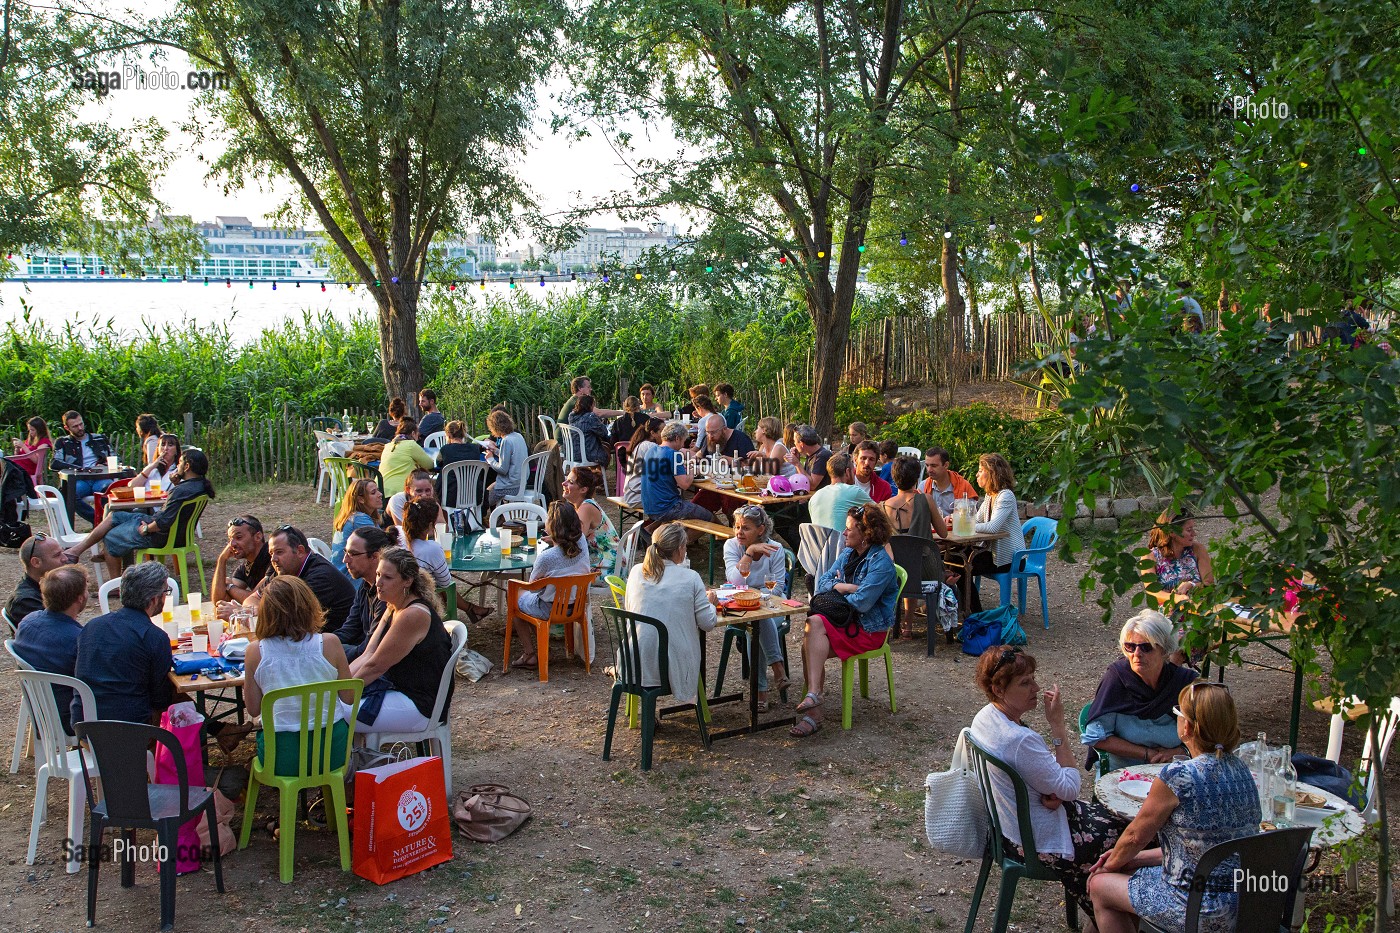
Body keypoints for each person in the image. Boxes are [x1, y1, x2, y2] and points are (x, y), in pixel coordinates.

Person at [970, 645, 1127, 925]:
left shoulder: (985, 717)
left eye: (1033, 678)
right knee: (1129, 840)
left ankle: (1101, 909)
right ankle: (1115, 914)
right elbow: (1070, 788)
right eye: (1025, 682)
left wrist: (1045, 792)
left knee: (1118, 829)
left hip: (1008, 828)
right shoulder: (1019, 740)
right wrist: (1058, 728)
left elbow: (1032, 779)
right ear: (998, 688)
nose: (1036, 688)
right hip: (1036, 839)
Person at [1088, 682, 1260, 933]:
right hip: (1241, 902)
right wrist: (1129, 860)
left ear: (1187, 727)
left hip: (1197, 906)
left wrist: (1109, 866)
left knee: (1100, 886)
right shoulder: (1241, 770)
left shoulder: (1179, 776)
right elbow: (1201, 847)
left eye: (1178, 714)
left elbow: (1135, 835)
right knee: (1128, 869)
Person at [791, 505, 901, 736]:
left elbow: (862, 603)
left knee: (812, 635)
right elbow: (822, 583)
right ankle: (814, 699)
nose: (843, 533)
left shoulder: (880, 563)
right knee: (813, 625)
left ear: (866, 534)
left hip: (868, 629)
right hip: (845, 621)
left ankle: (814, 709)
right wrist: (846, 586)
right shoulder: (848, 553)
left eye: (849, 529)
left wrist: (838, 589)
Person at [243, 576, 356, 774]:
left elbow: (253, 709)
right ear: (309, 606)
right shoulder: (330, 643)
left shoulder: (256, 651)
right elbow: (349, 696)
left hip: (282, 755)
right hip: (332, 751)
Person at [63, 448, 216, 581]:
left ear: (187, 466)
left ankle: (117, 584)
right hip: (177, 534)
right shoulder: (200, 486)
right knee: (114, 516)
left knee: (110, 537)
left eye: (180, 462)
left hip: (160, 535)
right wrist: (177, 483)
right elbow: (175, 512)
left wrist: (146, 529)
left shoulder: (180, 491)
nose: (177, 466)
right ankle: (75, 551)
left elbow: (163, 522)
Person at [350, 547, 455, 734]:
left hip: (419, 704)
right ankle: (358, 760)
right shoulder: (392, 606)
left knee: (334, 714)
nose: (378, 583)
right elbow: (369, 653)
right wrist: (338, 683)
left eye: (387, 578)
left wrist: (343, 692)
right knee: (331, 707)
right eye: (378, 574)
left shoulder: (413, 615)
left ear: (407, 581)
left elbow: (376, 666)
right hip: (398, 690)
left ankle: (350, 762)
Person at [1082, 610, 1197, 771]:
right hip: (1123, 771)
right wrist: (1146, 753)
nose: (1137, 654)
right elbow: (1096, 737)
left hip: (1175, 768)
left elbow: (1206, 735)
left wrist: (1180, 751)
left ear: (1164, 650)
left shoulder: (1184, 683)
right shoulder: (1117, 678)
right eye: (1130, 646)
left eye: (1146, 647)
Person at [623, 522, 718, 705]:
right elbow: (707, 623)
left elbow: (631, 608)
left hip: (634, 660)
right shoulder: (690, 577)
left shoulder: (636, 572)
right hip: (673, 665)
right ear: (681, 549)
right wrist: (710, 602)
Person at [71, 561, 175, 724]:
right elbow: (161, 699)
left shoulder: (92, 626)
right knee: (179, 702)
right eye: (165, 592)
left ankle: (219, 731)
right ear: (154, 599)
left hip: (85, 725)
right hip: (131, 731)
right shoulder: (155, 637)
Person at [510, 501, 592, 668]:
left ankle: (530, 654)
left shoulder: (546, 557)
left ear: (551, 525)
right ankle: (543, 648)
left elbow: (534, 586)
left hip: (551, 609)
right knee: (530, 599)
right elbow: (565, 553)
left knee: (513, 596)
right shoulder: (582, 541)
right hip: (576, 605)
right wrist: (555, 541)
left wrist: (553, 547)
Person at [723, 505, 788, 709]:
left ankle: (760, 690)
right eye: (737, 527)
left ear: (760, 529)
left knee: (757, 621)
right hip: (740, 604)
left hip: (772, 604)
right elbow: (734, 580)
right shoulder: (732, 546)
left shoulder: (775, 549)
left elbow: (778, 587)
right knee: (756, 621)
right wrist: (749, 553)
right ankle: (778, 668)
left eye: (746, 528)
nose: (739, 532)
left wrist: (758, 601)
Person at [13, 565, 87, 733]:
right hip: (67, 719)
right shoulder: (77, 639)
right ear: (80, 598)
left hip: (40, 708)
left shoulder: (27, 621)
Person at [246, 525, 356, 632]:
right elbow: (251, 599)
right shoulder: (284, 570)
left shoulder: (320, 577)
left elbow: (285, 620)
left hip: (339, 644)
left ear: (300, 550)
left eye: (279, 552)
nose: (273, 559)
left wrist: (250, 615)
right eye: (271, 554)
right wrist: (254, 611)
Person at [968, 453, 1027, 614]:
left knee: (963, 567)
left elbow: (993, 527)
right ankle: (968, 610)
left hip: (1009, 558)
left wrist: (966, 525)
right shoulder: (989, 495)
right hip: (993, 554)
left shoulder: (1005, 496)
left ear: (992, 472)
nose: (977, 474)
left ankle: (975, 613)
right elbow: (978, 521)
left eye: (981, 470)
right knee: (953, 560)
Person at [640, 421, 714, 524]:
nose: (683, 445)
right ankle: (683, 540)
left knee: (693, 510)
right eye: (683, 441)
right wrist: (691, 468)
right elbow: (685, 485)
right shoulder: (674, 454)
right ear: (677, 438)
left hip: (649, 506)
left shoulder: (651, 450)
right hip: (668, 507)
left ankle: (648, 532)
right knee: (708, 517)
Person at [335, 526, 391, 662]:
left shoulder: (388, 594)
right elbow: (350, 629)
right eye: (345, 552)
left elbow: (369, 650)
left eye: (352, 554)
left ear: (375, 557)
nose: (345, 560)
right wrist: (320, 644)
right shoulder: (365, 585)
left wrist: (331, 651)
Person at [50, 410, 116, 523]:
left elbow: (115, 458)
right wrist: (78, 468)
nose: (80, 428)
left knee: (109, 489)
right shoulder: (63, 442)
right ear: (67, 428)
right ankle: (97, 520)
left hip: (100, 477)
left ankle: (107, 522)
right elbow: (54, 463)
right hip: (79, 480)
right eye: (75, 426)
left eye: (81, 424)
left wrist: (105, 464)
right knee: (67, 493)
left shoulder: (100, 438)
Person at [1144, 509, 1215, 607]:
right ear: (1172, 532)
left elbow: (1209, 584)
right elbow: (1152, 592)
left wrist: (1192, 585)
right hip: (1167, 614)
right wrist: (1177, 598)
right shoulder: (1150, 557)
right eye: (1189, 530)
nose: (1194, 534)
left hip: (1198, 609)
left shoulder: (1198, 549)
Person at [562, 467, 618, 579]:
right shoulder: (585, 505)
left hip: (607, 569)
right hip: (610, 562)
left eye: (570, 482)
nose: (564, 483)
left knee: (559, 574)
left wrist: (554, 539)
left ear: (583, 489)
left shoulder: (586, 507)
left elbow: (575, 540)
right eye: (566, 480)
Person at [213, 515, 271, 614]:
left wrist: (229, 586)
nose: (232, 544)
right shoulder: (245, 566)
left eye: (238, 537)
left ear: (258, 537)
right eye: (230, 539)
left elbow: (255, 599)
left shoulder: (273, 559)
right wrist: (221, 560)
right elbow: (219, 600)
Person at [806, 453, 873, 531]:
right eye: (853, 471)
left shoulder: (814, 497)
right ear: (848, 472)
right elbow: (880, 512)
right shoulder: (854, 491)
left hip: (819, 542)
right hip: (842, 542)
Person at [331, 478, 385, 574]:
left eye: (378, 490)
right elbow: (384, 545)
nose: (380, 494)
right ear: (361, 499)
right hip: (349, 575)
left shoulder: (357, 516)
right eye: (373, 492)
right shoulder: (359, 519)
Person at [9, 534, 66, 622]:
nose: (65, 558)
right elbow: (53, 632)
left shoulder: (47, 587)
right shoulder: (25, 602)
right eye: (57, 555)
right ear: (36, 562)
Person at [401, 496, 453, 588]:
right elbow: (445, 582)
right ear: (430, 525)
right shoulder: (432, 549)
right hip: (418, 596)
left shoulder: (397, 537)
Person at [379, 415, 436, 496]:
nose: (418, 438)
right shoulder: (411, 444)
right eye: (417, 434)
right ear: (413, 433)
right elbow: (429, 464)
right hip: (400, 492)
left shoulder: (388, 445)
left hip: (381, 490)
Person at [484, 409, 529, 508]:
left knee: (483, 500)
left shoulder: (506, 441)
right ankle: (501, 517)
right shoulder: (518, 436)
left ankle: (488, 519)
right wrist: (495, 450)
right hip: (521, 482)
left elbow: (503, 469)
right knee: (490, 488)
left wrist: (490, 459)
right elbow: (512, 456)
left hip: (511, 486)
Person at [921, 447, 978, 517]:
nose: (929, 470)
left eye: (934, 466)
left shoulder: (963, 487)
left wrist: (952, 518)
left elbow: (970, 516)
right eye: (927, 465)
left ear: (946, 465)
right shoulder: (923, 486)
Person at [622, 417, 664, 507]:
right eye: (663, 431)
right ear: (653, 433)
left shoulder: (642, 444)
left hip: (631, 493)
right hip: (637, 496)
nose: (666, 434)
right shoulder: (650, 446)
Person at [566, 394, 612, 467]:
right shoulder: (590, 417)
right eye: (593, 406)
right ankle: (597, 475)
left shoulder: (572, 417)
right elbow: (604, 433)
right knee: (606, 450)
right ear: (590, 406)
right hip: (589, 455)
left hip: (573, 455)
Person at [784, 425, 832, 492]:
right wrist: (797, 460)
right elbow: (802, 480)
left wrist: (797, 464)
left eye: (795, 441)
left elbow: (812, 485)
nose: (794, 444)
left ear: (801, 444)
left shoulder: (822, 456)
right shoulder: (810, 454)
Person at [12, 416, 54, 485]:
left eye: (32, 430)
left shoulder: (44, 442)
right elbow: (18, 455)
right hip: (18, 465)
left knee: (5, 471)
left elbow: (36, 460)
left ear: (39, 430)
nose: (30, 432)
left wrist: (23, 446)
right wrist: (17, 449)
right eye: (29, 430)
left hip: (27, 469)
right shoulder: (30, 440)